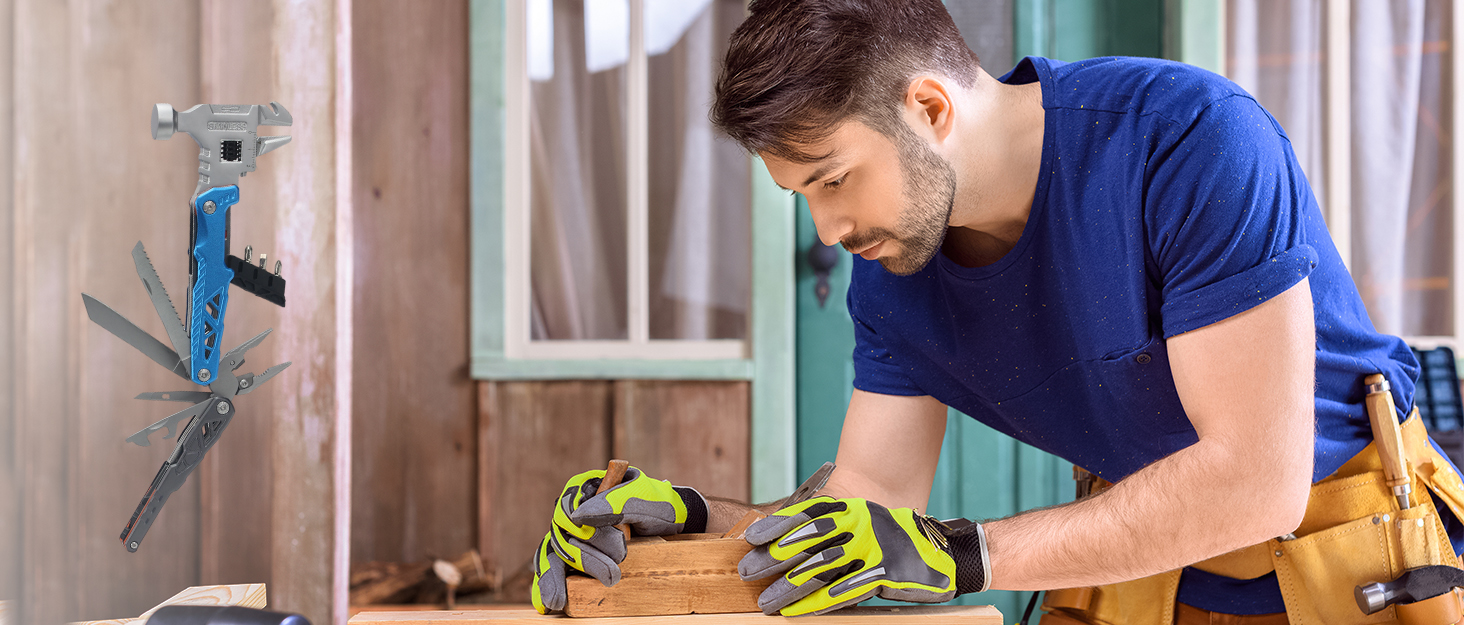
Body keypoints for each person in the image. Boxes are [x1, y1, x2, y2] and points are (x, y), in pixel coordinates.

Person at [529, 1, 1464, 622]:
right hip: (1142, 573)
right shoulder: (891, 273)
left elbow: (1258, 481)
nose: (828, 228)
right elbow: (867, 513)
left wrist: (961, 554)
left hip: (1359, 564)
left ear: (929, 107)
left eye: (834, 179)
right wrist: (687, 525)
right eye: (801, 197)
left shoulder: (1188, 142)